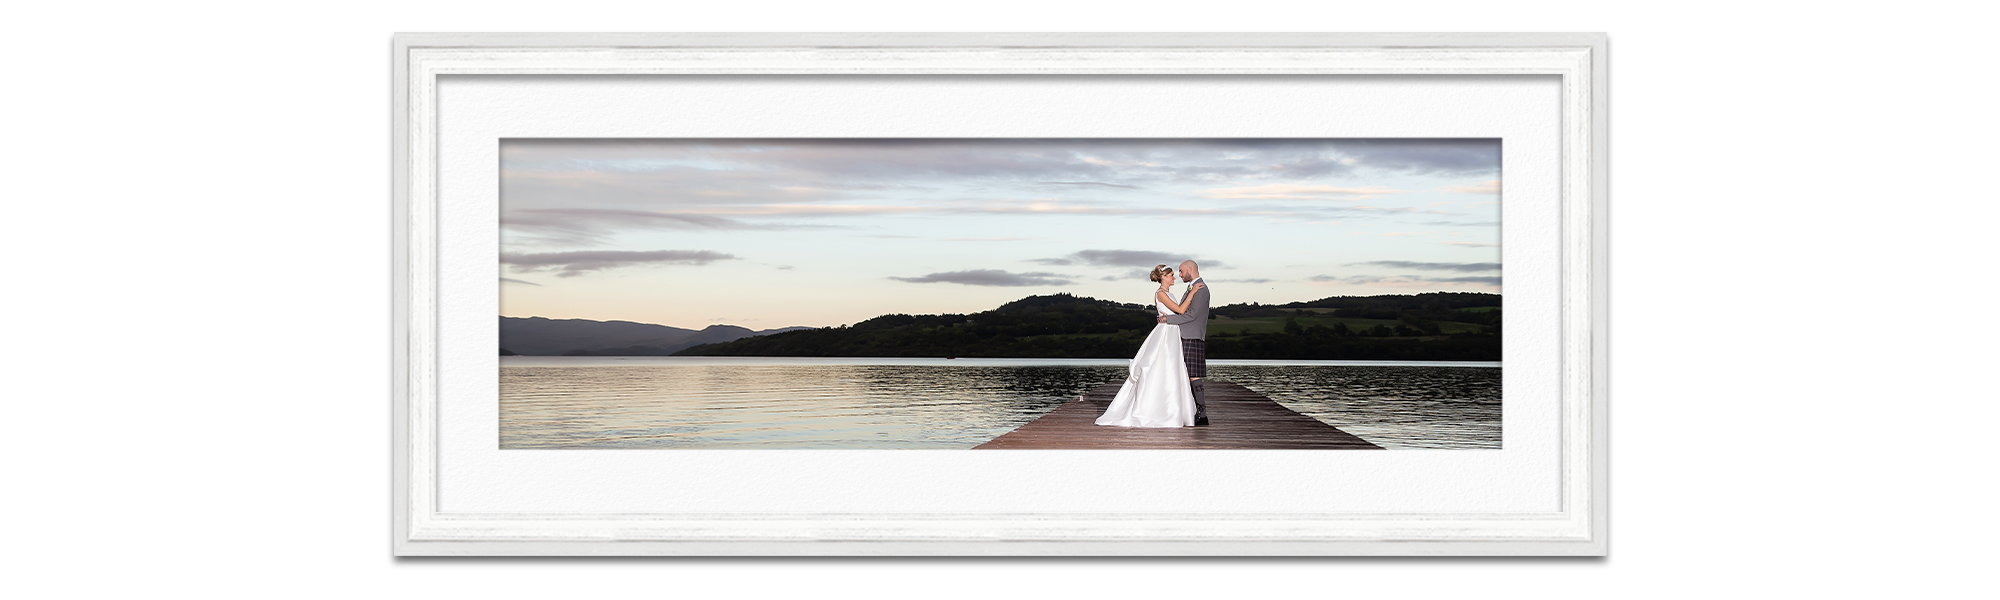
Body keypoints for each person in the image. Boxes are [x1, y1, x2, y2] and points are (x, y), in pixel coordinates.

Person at [1095, 264, 1206, 427]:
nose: (1174, 277)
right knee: (1161, 366)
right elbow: (1181, 311)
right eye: (1171, 275)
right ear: (1163, 277)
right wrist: (1193, 291)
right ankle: (1158, 410)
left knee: (1173, 369)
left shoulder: (1169, 293)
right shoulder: (1160, 294)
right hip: (1166, 334)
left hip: (1173, 333)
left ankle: (1174, 409)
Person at [1157, 260, 1211, 426]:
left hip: (1192, 335)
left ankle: (1202, 415)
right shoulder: (1193, 288)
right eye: (1176, 273)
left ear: (1190, 269)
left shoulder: (1201, 289)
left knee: (1193, 375)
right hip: (1184, 335)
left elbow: (1191, 315)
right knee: (1185, 374)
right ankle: (1190, 411)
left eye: (1180, 271)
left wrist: (1167, 319)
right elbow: (1183, 309)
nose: (1179, 275)